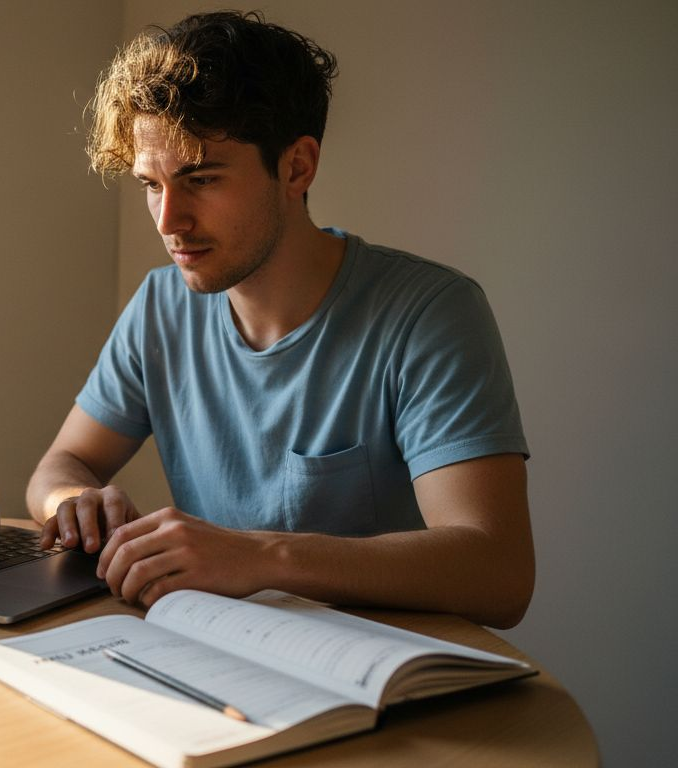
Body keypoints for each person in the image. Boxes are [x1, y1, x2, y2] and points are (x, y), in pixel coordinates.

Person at [26, 10, 533, 629]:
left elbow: (499, 573)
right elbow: (59, 467)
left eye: (201, 178)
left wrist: (259, 555)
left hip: (379, 679)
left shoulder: (428, 313)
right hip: (222, 656)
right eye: (150, 185)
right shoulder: (161, 307)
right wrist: (77, 503)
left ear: (297, 167)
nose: (168, 221)